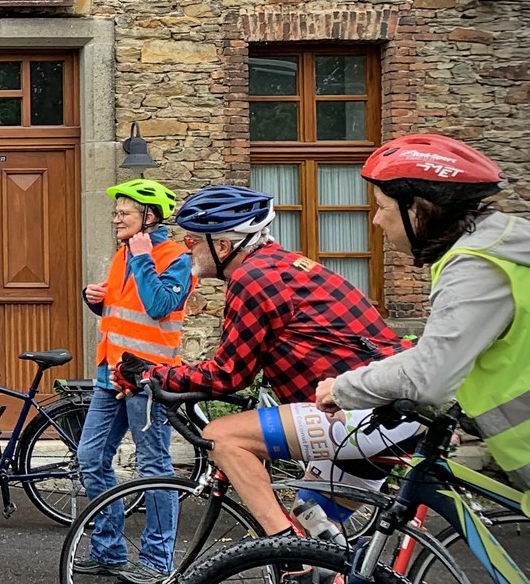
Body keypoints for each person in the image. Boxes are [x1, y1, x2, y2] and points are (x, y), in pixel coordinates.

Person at [121, 185, 411, 544]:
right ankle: (331, 580)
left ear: (223, 246)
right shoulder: (283, 264)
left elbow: (228, 375)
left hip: (358, 413)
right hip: (385, 414)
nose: (186, 246)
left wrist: (150, 374)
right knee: (318, 539)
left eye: (193, 239)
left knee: (221, 437)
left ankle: (280, 548)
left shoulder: (254, 277)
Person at [317, 135, 526, 489]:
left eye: (382, 206)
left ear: (418, 209)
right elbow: (435, 353)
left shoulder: (477, 264)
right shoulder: (500, 245)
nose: (376, 221)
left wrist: (343, 390)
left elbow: (428, 378)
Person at [70, 180, 192, 584]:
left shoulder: (176, 256)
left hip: (151, 379)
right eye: (117, 211)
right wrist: (95, 300)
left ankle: (158, 560)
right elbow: (123, 311)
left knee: (153, 467)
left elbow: (160, 307)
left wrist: (141, 258)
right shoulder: (124, 254)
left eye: (124, 212)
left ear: (150, 217)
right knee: (91, 458)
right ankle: (109, 549)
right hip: (111, 374)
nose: (116, 217)